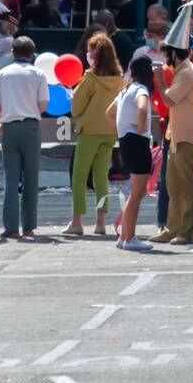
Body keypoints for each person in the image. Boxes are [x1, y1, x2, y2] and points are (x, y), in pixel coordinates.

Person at [63, 34, 124, 237]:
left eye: (90, 52)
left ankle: (76, 221)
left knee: (79, 176)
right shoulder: (119, 78)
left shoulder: (90, 77)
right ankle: (100, 222)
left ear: (95, 55)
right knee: (101, 177)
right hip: (110, 131)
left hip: (89, 131)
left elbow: (75, 108)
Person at [150, 19, 193, 246]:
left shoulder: (187, 73)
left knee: (188, 187)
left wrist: (160, 81)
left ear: (172, 53)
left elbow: (169, 99)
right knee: (174, 187)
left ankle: (187, 231)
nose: (164, 59)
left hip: (188, 138)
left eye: (166, 54)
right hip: (177, 136)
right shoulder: (183, 71)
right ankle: (172, 228)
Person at [0, 36, 50, 239]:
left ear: (12, 53)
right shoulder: (39, 74)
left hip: (9, 127)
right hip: (31, 127)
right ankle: (28, 226)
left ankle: (10, 227)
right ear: (32, 54)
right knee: (31, 178)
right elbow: (43, 105)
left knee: (10, 179)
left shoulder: (2, 74)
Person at [109, 56, 156, 252]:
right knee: (137, 194)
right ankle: (129, 238)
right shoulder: (140, 89)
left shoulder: (124, 90)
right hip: (137, 141)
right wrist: (140, 127)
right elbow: (142, 107)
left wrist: (122, 128)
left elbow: (109, 113)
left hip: (126, 140)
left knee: (136, 193)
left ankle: (124, 237)